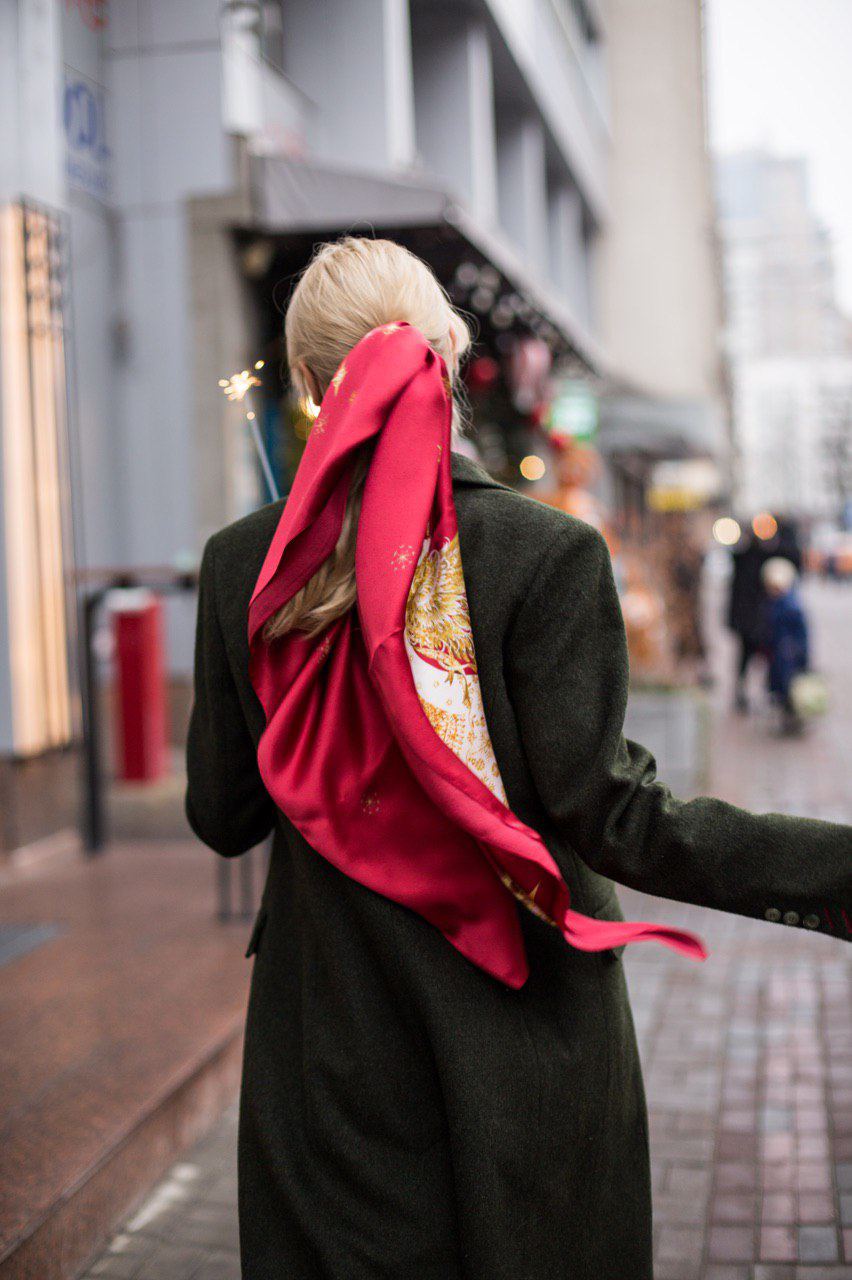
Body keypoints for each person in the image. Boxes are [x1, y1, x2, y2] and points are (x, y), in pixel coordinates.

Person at [185, 236, 852, 1280]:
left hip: (329, 1056)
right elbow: (615, 815)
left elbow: (221, 814)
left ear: (310, 385)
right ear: (446, 355)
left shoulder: (243, 565)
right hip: (525, 1049)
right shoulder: (547, 555)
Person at [762, 556, 810, 734]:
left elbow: (801, 634)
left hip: (787, 656)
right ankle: (789, 720)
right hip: (780, 654)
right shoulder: (779, 601)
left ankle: (792, 722)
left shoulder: (789, 605)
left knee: (789, 691)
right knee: (783, 692)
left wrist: (801, 656)